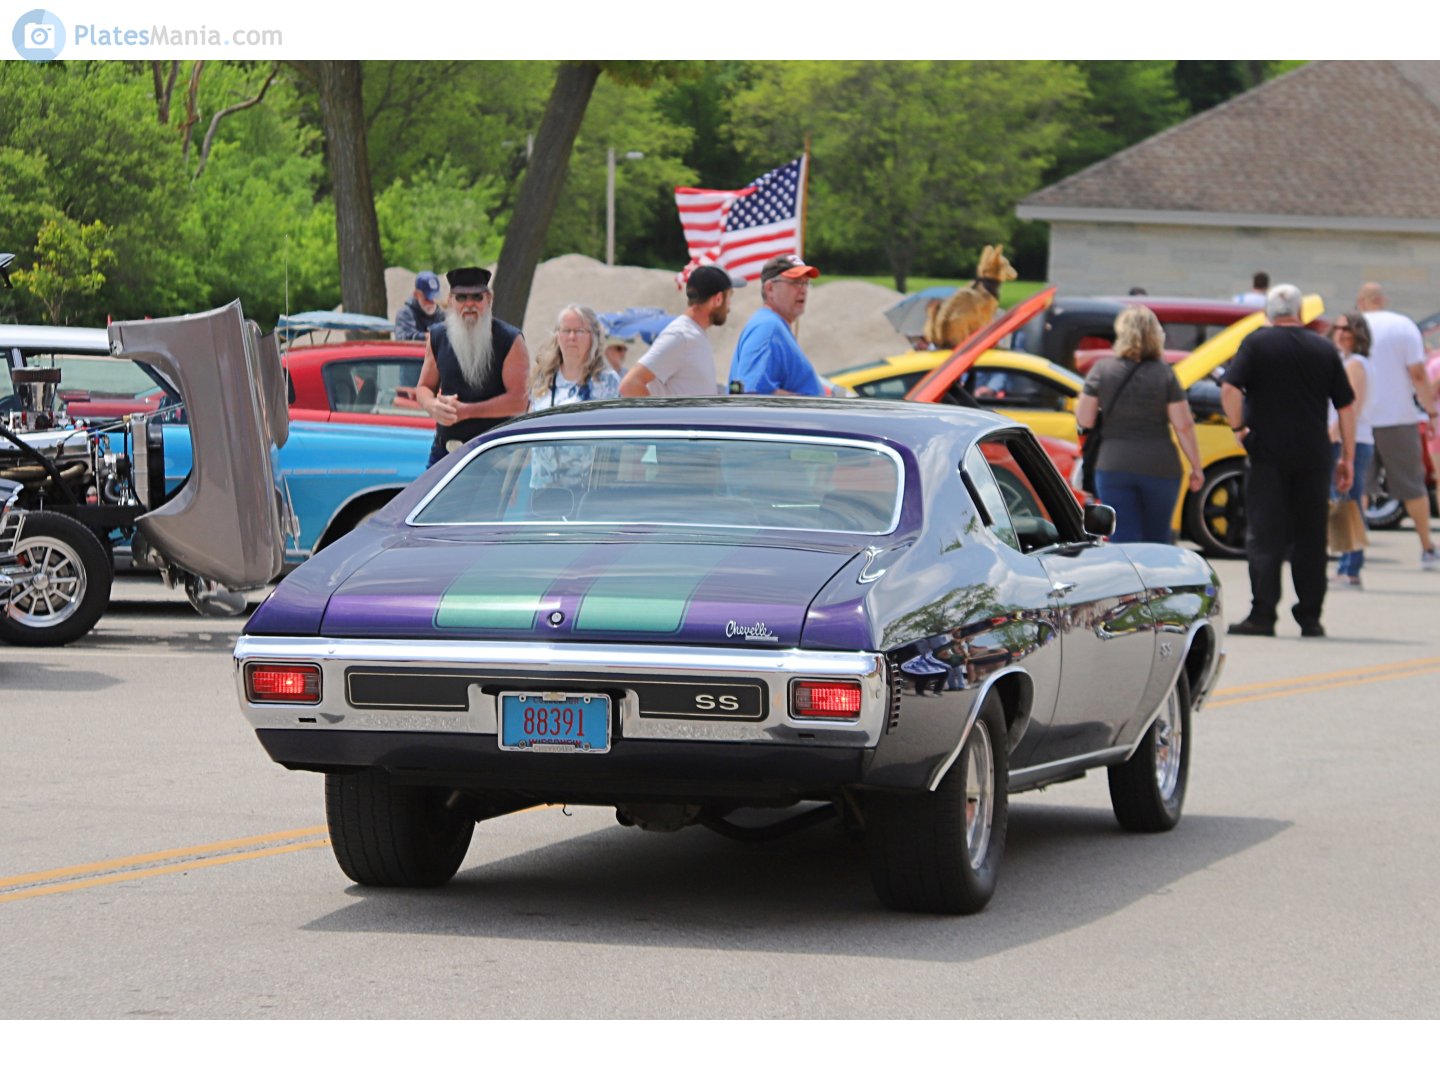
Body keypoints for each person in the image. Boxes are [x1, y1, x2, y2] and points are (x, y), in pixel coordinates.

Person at [1221, 284, 1357, 638]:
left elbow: (1229, 388)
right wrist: (1348, 457)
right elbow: (1345, 405)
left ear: (1268, 312)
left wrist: (1239, 429)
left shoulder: (1256, 343)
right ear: (1300, 311)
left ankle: (1263, 615)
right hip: (1313, 454)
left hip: (1266, 452)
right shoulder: (1323, 347)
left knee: (1265, 535)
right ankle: (1310, 618)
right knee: (1310, 537)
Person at [1075, 306, 1204, 543]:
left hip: (1113, 464)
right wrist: (1196, 466)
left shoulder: (1102, 370)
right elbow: (1184, 425)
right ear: (1155, 335)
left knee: (1122, 537)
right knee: (1157, 539)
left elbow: (1084, 420)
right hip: (1160, 466)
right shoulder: (1165, 374)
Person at [1355, 281, 1440, 569]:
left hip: (1360, 419)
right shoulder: (1403, 325)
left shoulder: (1352, 326)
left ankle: (1354, 553)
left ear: (1361, 302)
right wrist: (1430, 411)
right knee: (1413, 487)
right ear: (1383, 299)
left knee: (1358, 487)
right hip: (1398, 418)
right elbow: (1418, 374)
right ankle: (1427, 548)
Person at [415, 267, 528, 467]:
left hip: (496, 455)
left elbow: (519, 401)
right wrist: (433, 406)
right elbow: (424, 387)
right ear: (451, 301)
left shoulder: (510, 339)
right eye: (461, 298)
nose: (469, 304)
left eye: (477, 297)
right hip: (446, 451)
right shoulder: (438, 336)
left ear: (489, 299)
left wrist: (467, 411)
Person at [619, 265, 740, 398]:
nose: (729, 305)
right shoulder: (681, 336)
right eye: (729, 296)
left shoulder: (692, 334)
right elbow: (630, 385)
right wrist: (660, 413)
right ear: (718, 299)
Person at [729, 254, 825, 396]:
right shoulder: (768, 327)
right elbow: (751, 393)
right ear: (770, 289)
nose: (803, 289)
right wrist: (812, 404)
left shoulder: (773, 325)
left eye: (806, 283)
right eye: (795, 282)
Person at [1327, 313, 1374, 587]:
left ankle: (1350, 568)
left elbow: (1351, 407)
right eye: (1338, 327)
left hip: (1350, 440)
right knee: (1344, 502)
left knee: (1347, 503)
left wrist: (1334, 436)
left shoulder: (1356, 363)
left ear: (1358, 334)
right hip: (1350, 439)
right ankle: (1347, 565)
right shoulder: (1348, 361)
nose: (1341, 332)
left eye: (1347, 328)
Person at [394, 271, 444, 341]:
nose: (432, 302)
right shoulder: (405, 314)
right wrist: (427, 337)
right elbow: (402, 338)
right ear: (416, 294)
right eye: (427, 298)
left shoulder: (441, 315)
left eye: (435, 297)